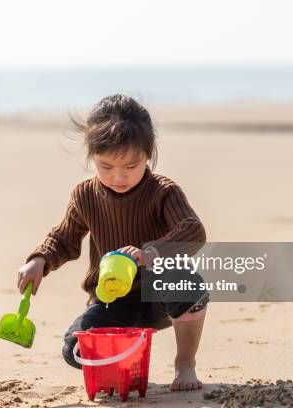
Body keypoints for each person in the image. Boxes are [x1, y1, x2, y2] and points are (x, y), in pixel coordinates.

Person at [17, 94, 208, 391]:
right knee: (75, 350)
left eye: (131, 166)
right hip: (111, 300)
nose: (118, 176)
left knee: (189, 285)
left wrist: (149, 254)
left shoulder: (162, 192)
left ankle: (185, 364)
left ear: (148, 155)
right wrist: (39, 259)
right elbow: (64, 237)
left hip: (158, 296)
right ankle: (126, 358)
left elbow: (193, 231)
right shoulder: (85, 195)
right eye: (106, 167)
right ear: (92, 156)